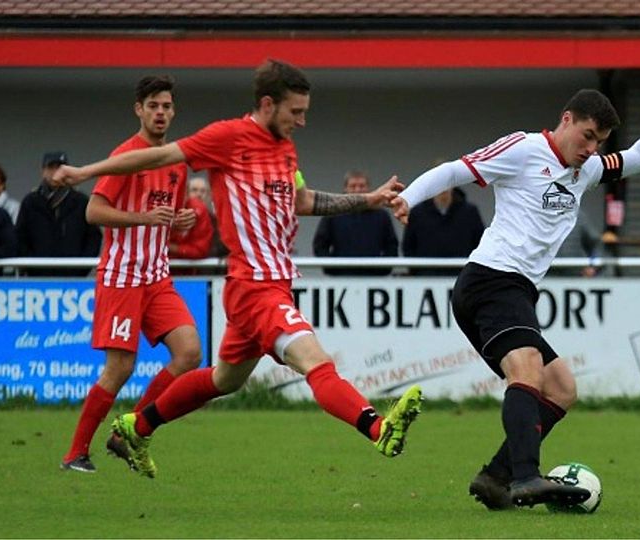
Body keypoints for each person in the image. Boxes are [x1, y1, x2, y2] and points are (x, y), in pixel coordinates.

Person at [54, 59, 422, 479]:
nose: (301, 121)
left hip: (273, 284)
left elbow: (301, 202)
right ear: (268, 104)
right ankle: (379, 429)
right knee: (316, 362)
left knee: (224, 379)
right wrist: (85, 171)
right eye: (295, 112)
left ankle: (135, 427)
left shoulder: (284, 146)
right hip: (254, 287)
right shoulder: (227, 137)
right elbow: (157, 155)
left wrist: (368, 199)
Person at [391, 64, 640, 509]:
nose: (591, 148)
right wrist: (408, 198)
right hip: (490, 280)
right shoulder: (523, 149)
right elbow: (455, 171)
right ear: (567, 119)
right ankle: (525, 477)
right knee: (528, 372)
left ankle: (496, 477)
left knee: (560, 389)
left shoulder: (587, 170)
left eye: (599, 142)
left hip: (515, 290)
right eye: (588, 135)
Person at [60, 76, 203, 473]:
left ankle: (131, 430)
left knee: (190, 351)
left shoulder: (174, 160)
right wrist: (144, 217)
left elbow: (164, 216)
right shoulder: (125, 155)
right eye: (153, 105)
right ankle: (75, 453)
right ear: (138, 110)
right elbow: (94, 212)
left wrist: (181, 220)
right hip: (122, 277)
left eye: (167, 106)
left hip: (157, 277)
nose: (161, 113)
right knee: (120, 368)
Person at [15, 152, 102, 277]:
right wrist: (31, 266)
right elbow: (20, 237)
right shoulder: (31, 202)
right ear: (43, 171)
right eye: (51, 168)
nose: (55, 172)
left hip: (74, 277)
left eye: (60, 168)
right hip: (37, 278)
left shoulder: (80, 201)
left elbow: (93, 238)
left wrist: (81, 268)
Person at [312, 170, 398, 276]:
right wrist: (331, 268)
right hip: (341, 278)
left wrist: (383, 269)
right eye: (353, 186)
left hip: (374, 278)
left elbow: (391, 245)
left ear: (368, 188)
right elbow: (320, 244)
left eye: (362, 186)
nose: (357, 190)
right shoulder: (333, 214)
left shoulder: (381, 215)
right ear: (345, 189)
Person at [401, 186, 485, 276]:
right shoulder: (417, 213)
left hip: (462, 278)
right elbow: (408, 246)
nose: (443, 188)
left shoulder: (470, 212)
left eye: (447, 182)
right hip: (426, 279)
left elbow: (481, 244)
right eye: (440, 183)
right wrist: (417, 272)